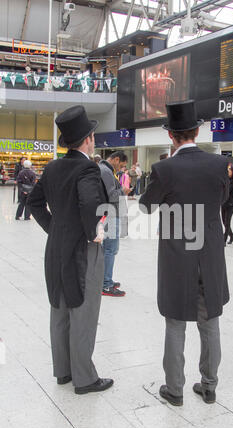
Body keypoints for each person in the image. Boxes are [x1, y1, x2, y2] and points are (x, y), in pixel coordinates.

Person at [140, 100, 229, 407]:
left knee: (176, 322)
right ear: (197, 131)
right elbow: (222, 198)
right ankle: (209, 385)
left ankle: (174, 389)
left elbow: (146, 205)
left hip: (177, 259)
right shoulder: (219, 165)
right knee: (210, 322)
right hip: (209, 257)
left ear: (171, 136)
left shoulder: (164, 168)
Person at [28, 105, 113, 395]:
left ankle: (63, 371)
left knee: (60, 307)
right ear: (88, 138)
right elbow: (91, 205)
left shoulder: (52, 168)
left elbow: (34, 203)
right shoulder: (87, 168)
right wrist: (95, 231)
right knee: (83, 310)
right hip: (81, 249)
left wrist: (54, 227)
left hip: (56, 247)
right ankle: (85, 378)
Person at [98, 151, 130, 297]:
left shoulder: (105, 170)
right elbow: (111, 195)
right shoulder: (106, 172)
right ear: (116, 159)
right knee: (110, 250)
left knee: (110, 249)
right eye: (121, 165)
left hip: (109, 214)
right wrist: (123, 190)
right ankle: (106, 285)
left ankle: (105, 279)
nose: (120, 169)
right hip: (111, 215)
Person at [222, 163, 233, 246]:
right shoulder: (226, 180)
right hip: (223, 204)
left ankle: (224, 240)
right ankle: (232, 236)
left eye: (229, 170)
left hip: (230, 205)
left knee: (227, 222)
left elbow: (226, 191)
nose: (227, 171)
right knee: (224, 222)